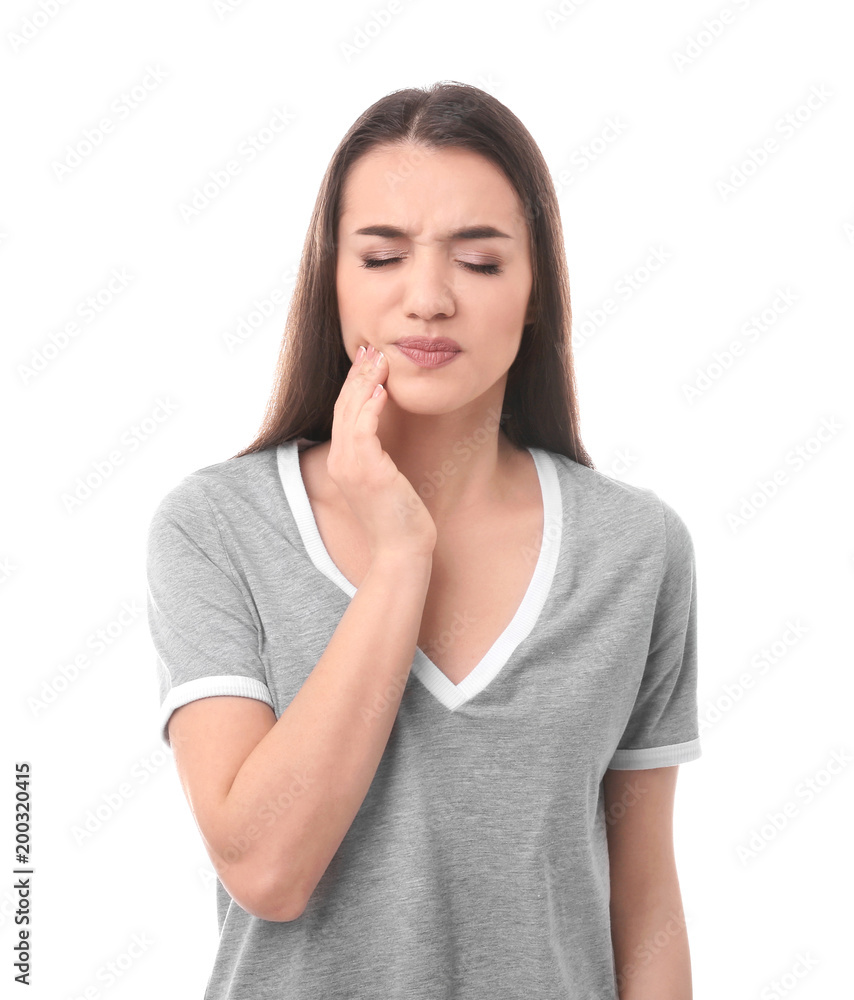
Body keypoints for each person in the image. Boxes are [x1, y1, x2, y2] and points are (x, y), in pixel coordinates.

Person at [145, 81, 701, 999]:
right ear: (334, 281)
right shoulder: (215, 529)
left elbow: (646, 899)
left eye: (480, 262)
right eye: (382, 257)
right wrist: (402, 556)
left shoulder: (636, 549)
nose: (429, 299)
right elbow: (266, 869)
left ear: (534, 294)